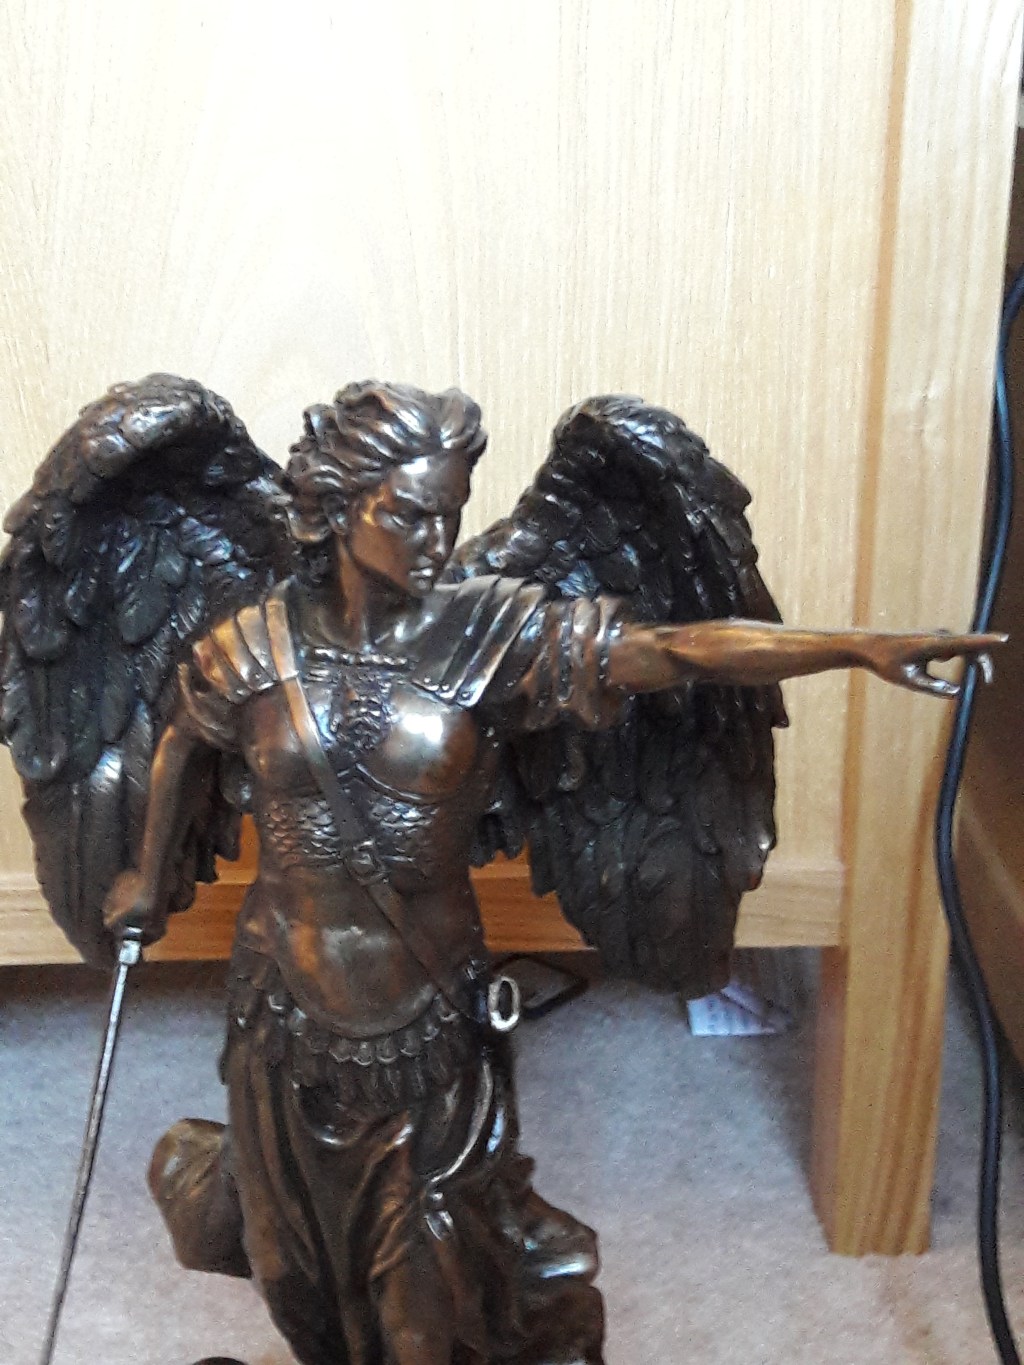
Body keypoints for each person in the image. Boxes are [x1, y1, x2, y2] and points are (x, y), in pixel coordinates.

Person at [103, 381, 991, 1365]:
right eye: (408, 515)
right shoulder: (252, 646)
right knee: (295, 1281)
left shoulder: (491, 635)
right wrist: (147, 875)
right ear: (340, 507)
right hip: (283, 1012)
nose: (435, 541)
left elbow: (674, 653)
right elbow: (183, 740)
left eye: (448, 515)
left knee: (422, 1311)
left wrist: (854, 648)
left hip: (424, 1020)